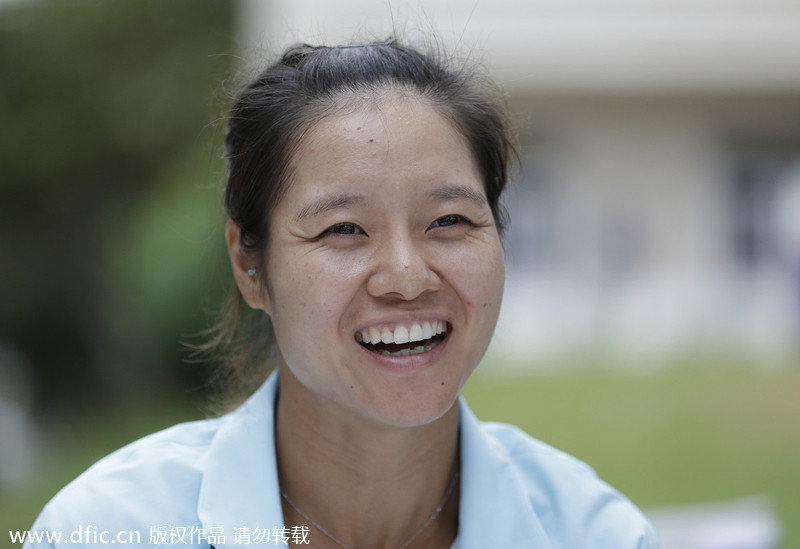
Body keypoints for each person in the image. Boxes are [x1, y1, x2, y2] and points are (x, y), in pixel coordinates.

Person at [24, 38, 659, 548]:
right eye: (344, 229)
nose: (408, 278)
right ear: (250, 267)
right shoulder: (112, 528)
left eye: (449, 221)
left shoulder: (593, 531)